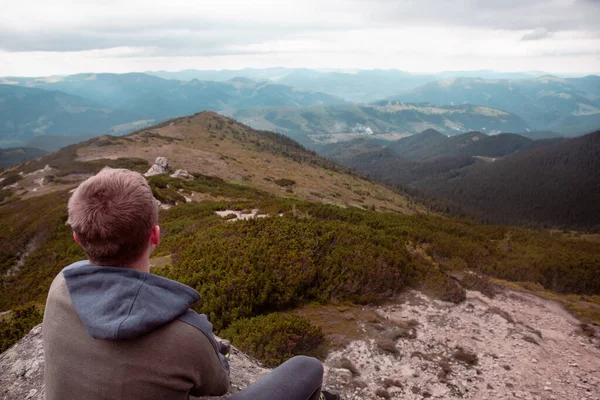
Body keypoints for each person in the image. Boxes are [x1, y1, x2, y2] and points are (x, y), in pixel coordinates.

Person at [43, 167, 339, 400]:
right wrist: (204, 338)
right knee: (307, 367)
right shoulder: (183, 336)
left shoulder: (61, 286)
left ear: (77, 238)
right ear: (155, 236)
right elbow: (219, 384)